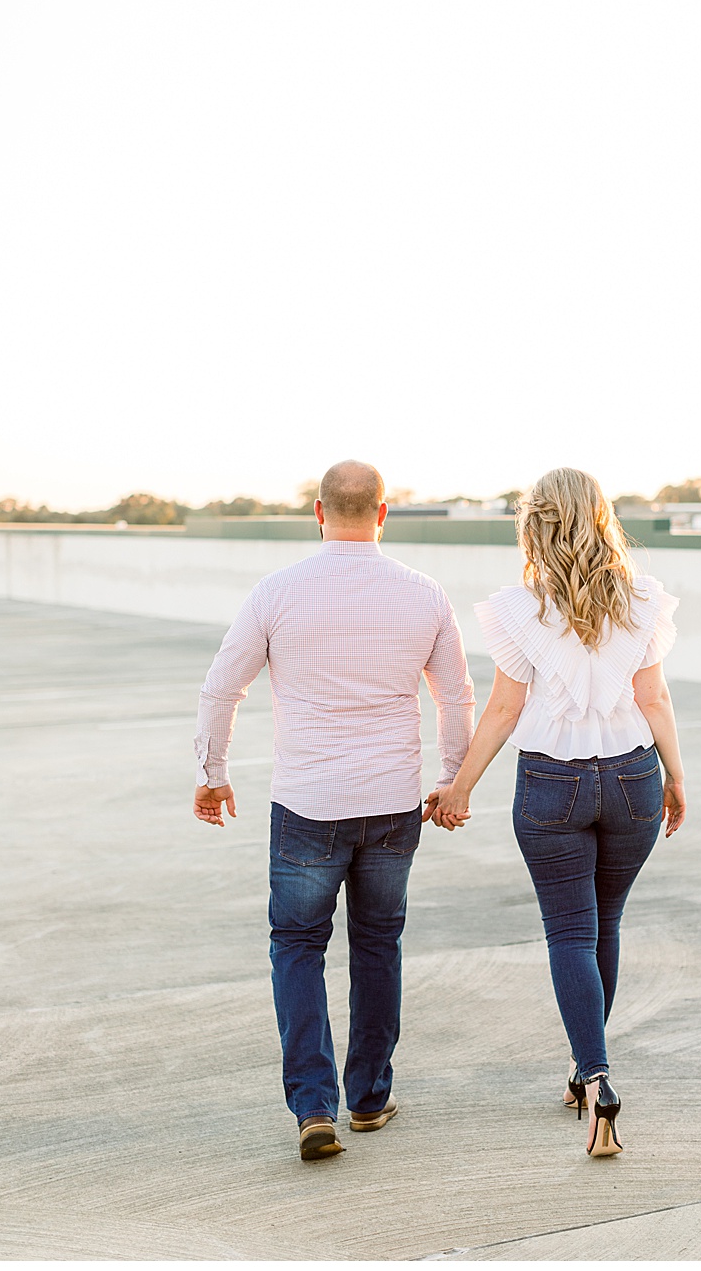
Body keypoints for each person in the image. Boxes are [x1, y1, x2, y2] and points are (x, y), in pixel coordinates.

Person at [193, 460, 475, 1162]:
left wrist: (212, 772)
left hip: (307, 806)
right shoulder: (423, 594)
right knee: (379, 944)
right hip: (391, 804)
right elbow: (456, 697)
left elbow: (221, 687)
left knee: (296, 947)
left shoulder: (277, 592)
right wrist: (452, 780)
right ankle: (371, 1100)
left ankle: (314, 1107)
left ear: (318, 513)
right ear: (383, 513)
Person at [428, 467, 685, 1158]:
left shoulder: (520, 609)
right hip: (634, 775)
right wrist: (677, 777)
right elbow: (654, 698)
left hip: (551, 783)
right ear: (601, 517)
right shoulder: (644, 600)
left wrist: (460, 786)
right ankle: (584, 1069)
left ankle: (597, 1077)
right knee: (607, 924)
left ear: (534, 523)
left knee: (570, 931)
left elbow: (506, 709)